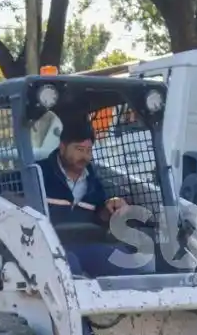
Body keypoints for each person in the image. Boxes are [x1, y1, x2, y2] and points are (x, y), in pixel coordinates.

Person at [37, 119, 154, 277]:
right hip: (47, 247)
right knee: (68, 265)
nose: (85, 156)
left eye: (89, 150)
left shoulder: (94, 183)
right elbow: (11, 198)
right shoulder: (38, 173)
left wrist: (111, 209)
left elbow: (99, 217)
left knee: (128, 262)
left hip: (86, 246)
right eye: (79, 149)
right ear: (62, 147)